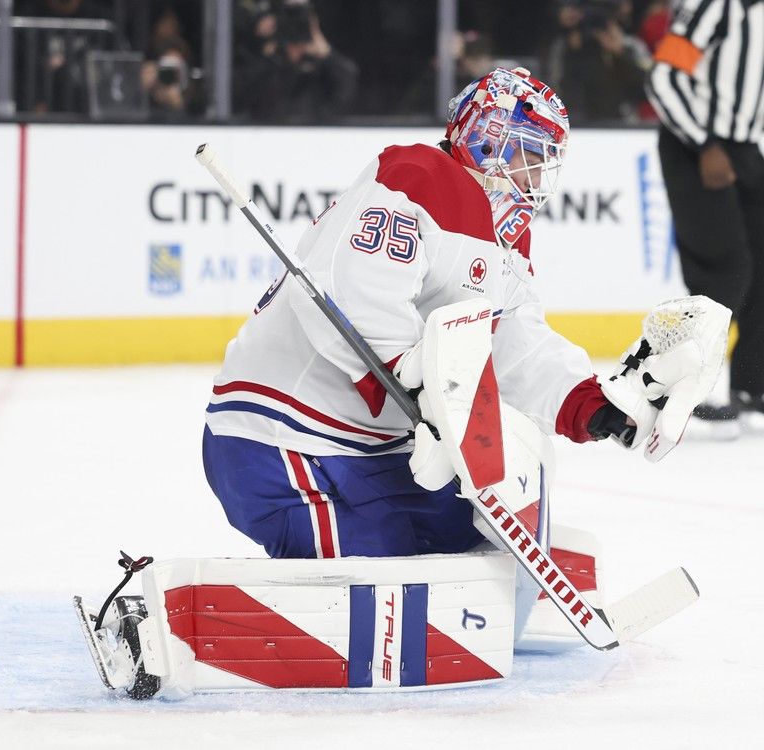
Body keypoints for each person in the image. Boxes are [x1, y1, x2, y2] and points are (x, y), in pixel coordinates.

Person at [201, 67, 717, 621]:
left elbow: (514, 342)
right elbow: (350, 286)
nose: (536, 172)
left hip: (373, 451)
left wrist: (591, 404)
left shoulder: (506, 235)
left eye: (546, 160)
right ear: (486, 134)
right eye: (527, 151)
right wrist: (423, 384)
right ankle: (237, 615)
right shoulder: (419, 175)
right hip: (282, 440)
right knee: (386, 592)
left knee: (463, 531)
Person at [646, 0, 764, 436]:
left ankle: (753, 388)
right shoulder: (722, 9)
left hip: (746, 147)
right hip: (695, 145)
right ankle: (696, 386)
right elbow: (664, 76)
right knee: (727, 264)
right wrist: (704, 143)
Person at [233, 0, 358, 122]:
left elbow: (347, 84)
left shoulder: (322, 71)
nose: (294, 27)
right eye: (287, 21)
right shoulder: (267, 64)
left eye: (301, 23)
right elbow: (239, 98)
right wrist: (270, 53)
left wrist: (326, 52)